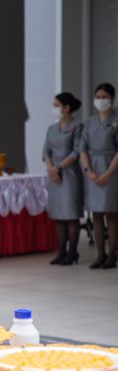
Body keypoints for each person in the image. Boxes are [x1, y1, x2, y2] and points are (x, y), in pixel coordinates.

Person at [80, 83, 118, 270]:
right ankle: (100, 254)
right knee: (95, 214)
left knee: (111, 213)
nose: (100, 100)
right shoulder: (89, 123)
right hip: (92, 172)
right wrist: (88, 171)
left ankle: (112, 255)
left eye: (104, 96)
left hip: (111, 170)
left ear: (112, 99)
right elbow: (82, 149)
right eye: (98, 96)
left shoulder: (116, 120)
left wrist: (108, 173)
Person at [43, 92, 83, 266]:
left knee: (71, 214)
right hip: (54, 174)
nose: (55, 109)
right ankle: (62, 251)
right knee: (59, 215)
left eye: (57, 105)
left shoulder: (77, 126)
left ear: (66, 108)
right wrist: (51, 169)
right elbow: (46, 151)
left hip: (70, 173)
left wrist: (59, 168)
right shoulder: (52, 128)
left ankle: (73, 252)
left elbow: (76, 151)